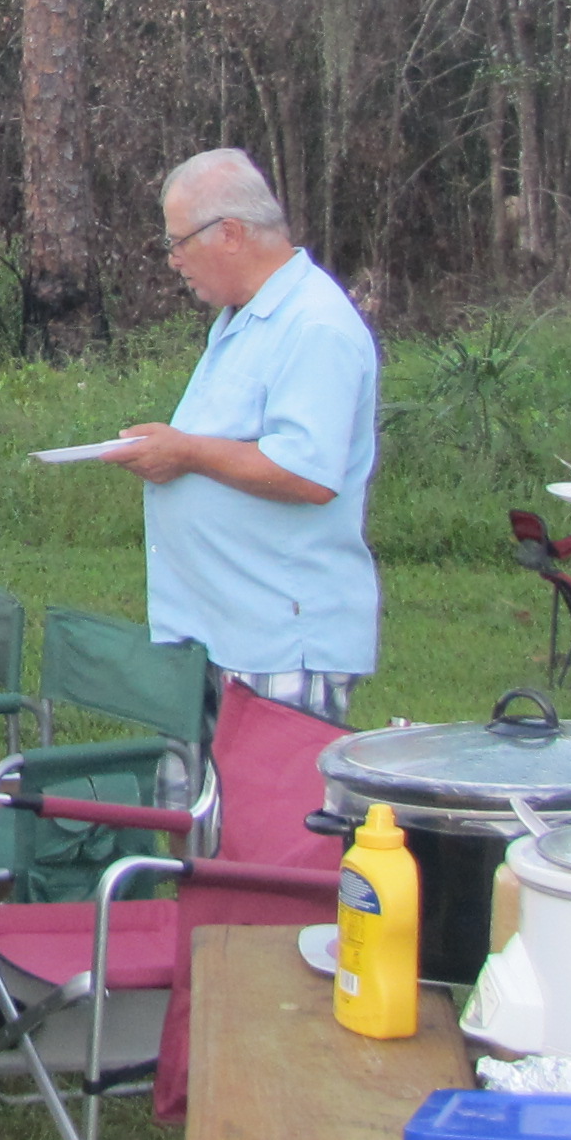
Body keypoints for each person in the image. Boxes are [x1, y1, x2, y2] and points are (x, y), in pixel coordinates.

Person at [100, 149, 380, 722]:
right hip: (215, 626)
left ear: (229, 233)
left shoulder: (315, 325)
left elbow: (307, 472)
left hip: (278, 638)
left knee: (269, 807)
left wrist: (185, 451)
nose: (174, 260)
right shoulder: (243, 317)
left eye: (179, 242)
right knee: (199, 809)